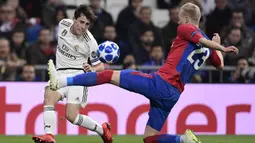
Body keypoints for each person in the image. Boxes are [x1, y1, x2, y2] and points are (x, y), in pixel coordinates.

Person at [48, 3, 239, 143]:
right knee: (149, 139)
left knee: (107, 75)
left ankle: (62, 81)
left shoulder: (185, 29)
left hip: (160, 83)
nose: (178, 22)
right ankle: (182, 140)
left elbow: (198, 37)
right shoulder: (208, 48)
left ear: (187, 20)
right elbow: (219, 66)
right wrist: (217, 47)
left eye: (180, 19)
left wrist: (221, 46)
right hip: (173, 95)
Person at [32, 5, 112, 143]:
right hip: (60, 75)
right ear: (73, 19)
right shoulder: (63, 24)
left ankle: (102, 129)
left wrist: (92, 69)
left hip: (78, 78)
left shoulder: (90, 42)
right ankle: (49, 136)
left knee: (72, 117)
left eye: (87, 24)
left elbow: (101, 65)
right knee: (49, 97)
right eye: (81, 22)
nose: (83, 27)